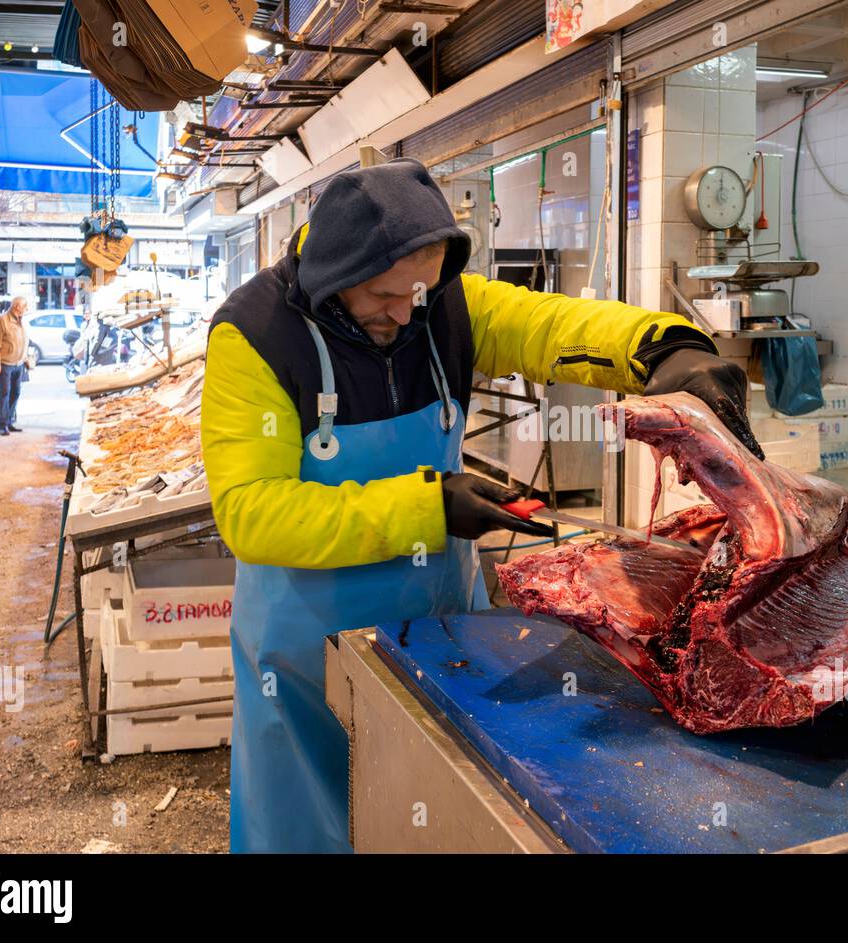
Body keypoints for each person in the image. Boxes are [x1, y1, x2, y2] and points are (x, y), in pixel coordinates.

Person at [201, 158, 761, 853]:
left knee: (428, 818)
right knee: (309, 829)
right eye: (384, 295)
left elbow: (553, 326)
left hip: (436, 636)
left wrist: (664, 349)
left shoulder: (441, 303)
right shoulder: (253, 337)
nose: (407, 312)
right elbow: (254, 515)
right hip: (303, 649)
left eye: (420, 291)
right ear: (336, 274)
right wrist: (427, 509)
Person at [0, 296, 32, 436]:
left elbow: (23, 342)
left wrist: (26, 359)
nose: (26, 309)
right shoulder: (2, 320)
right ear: (16, 307)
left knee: (16, 392)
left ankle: (9, 421)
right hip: (5, 365)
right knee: (4, 394)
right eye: (25, 307)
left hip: (18, 365)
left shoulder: (21, 321)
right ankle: (3, 425)